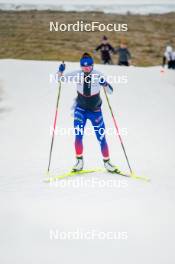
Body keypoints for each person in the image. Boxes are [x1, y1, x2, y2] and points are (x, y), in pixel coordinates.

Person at [57, 53, 119, 173]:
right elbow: (59, 79)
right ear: (81, 66)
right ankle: (79, 162)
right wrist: (60, 71)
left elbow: (110, 91)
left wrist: (104, 84)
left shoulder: (98, 75)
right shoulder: (77, 74)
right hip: (80, 110)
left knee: (101, 137)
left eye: (89, 66)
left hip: (95, 112)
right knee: (78, 136)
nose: (86, 69)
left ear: (92, 65)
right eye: (84, 67)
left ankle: (107, 163)